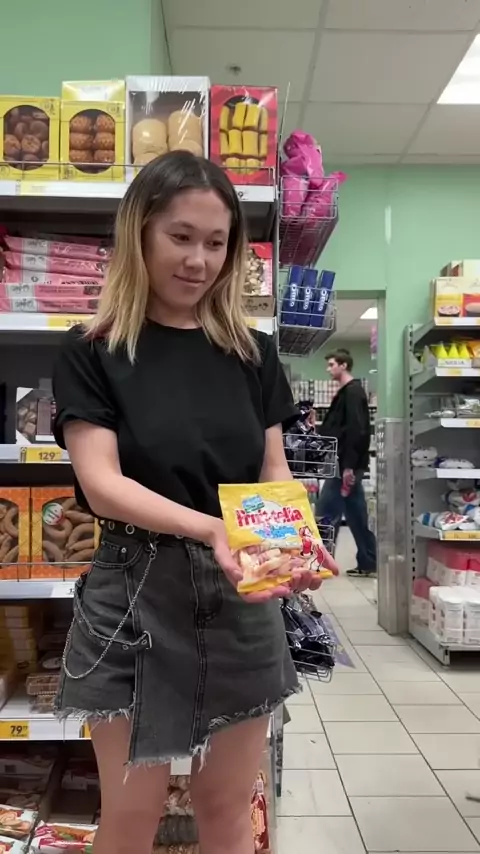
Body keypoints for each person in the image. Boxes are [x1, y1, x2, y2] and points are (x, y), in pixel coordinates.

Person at [52, 150, 337, 854]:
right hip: (132, 594)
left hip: (242, 593)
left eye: (216, 243)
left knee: (227, 808)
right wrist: (212, 527)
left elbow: (271, 471)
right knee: (131, 813)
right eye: (180, 237)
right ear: (139, 233)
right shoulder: (93, 350)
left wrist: (292, 544)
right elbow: (102, 484)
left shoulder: (252, 353)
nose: (199, 261)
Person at [316, 348, 377, 578]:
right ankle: (369, 561)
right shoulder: (348, 392)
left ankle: (320, 563)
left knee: (325, 512)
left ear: (343, 365)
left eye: (332, 364)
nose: (328, 369)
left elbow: (356, 430)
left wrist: (349, 466)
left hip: (343, 465)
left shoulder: (352, 392)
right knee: (356, 515)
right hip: (345, 463)